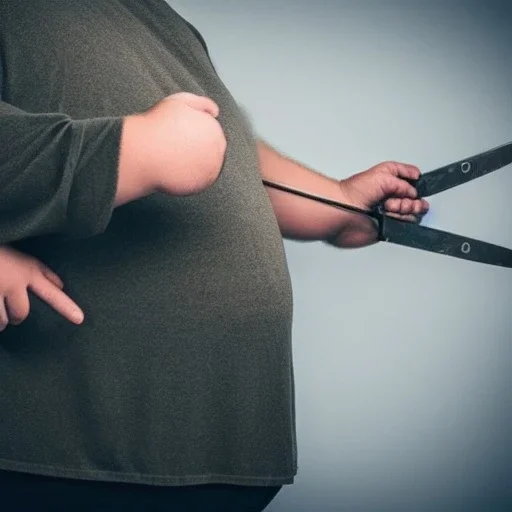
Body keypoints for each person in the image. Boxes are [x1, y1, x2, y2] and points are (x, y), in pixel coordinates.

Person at [0, 1, 429, 510]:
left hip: (225, 448)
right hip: (76, 447)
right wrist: (129, 149)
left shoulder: (165, 22)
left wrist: (337, 203)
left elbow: (224, 153)